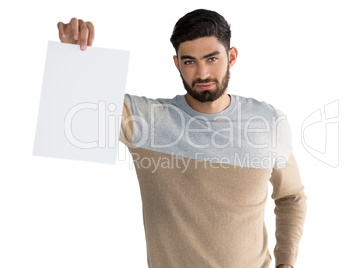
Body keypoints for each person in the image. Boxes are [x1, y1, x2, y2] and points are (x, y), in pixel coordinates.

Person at [57, 9, 307, 268]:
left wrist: (286, 262)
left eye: (212, 59)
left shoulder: (267, 122)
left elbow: (291, 196)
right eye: (189, 62)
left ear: (231, 57)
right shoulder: (148, 121)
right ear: (177, 63)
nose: (202, 73)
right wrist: (74, 57)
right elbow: (79, 109)